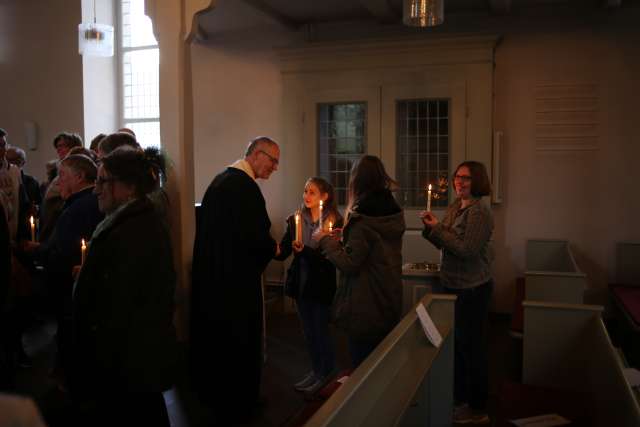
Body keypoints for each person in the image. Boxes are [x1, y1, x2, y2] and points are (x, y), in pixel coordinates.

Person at [70, 147, 177, 426]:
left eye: (102, 181)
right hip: (134, 362)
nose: (95, 190)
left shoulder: (131, 231)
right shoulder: (133, 223)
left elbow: (119, 308)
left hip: (125, 364)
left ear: (129, 187)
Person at [190, 136, 280, 424]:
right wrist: (273, 249)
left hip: (213, 280)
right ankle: (241, 400)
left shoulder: (220, 181)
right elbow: (257, 238)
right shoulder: (245, 188)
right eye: (273, 160)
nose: (275, 168)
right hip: (237, 285)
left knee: (218, 341)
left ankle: (217, 396)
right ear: (256, 154)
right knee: (240, 341)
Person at [420, 160, 493, 425]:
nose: (459, 182)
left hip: (472, 288)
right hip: (451, 282)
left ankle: (478, 408)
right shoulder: (455, 206)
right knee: (457, 347)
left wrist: (438, 230)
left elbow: (466, 250)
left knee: (472, 349)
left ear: (478, 182)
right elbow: (444, 240)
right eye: (457, 177)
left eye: (466, 178)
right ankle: (461, 400)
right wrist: (430, 228)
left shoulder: (479, 212)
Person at [315, 155, 405, 368]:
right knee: (382, 364)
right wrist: (344, 237)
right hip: (387, 294)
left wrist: (326, 241)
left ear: (356, 180)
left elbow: (350, 263)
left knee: (363, 368)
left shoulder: (362, 216)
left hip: (365, 304)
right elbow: (375, 251)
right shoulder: (392, 209)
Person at [274, 177, 343, 394]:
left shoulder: (333, 221)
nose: (306, 196)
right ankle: (316, 371)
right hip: (301, 283)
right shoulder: (297, 218)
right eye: (305, 191)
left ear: (325, 196)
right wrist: (268, 246)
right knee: (308, 332)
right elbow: (284, 250)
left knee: (320, 330)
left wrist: (304, 251)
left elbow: (327, 259)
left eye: (312, 192)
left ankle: (327, 372)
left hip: (321, 283)